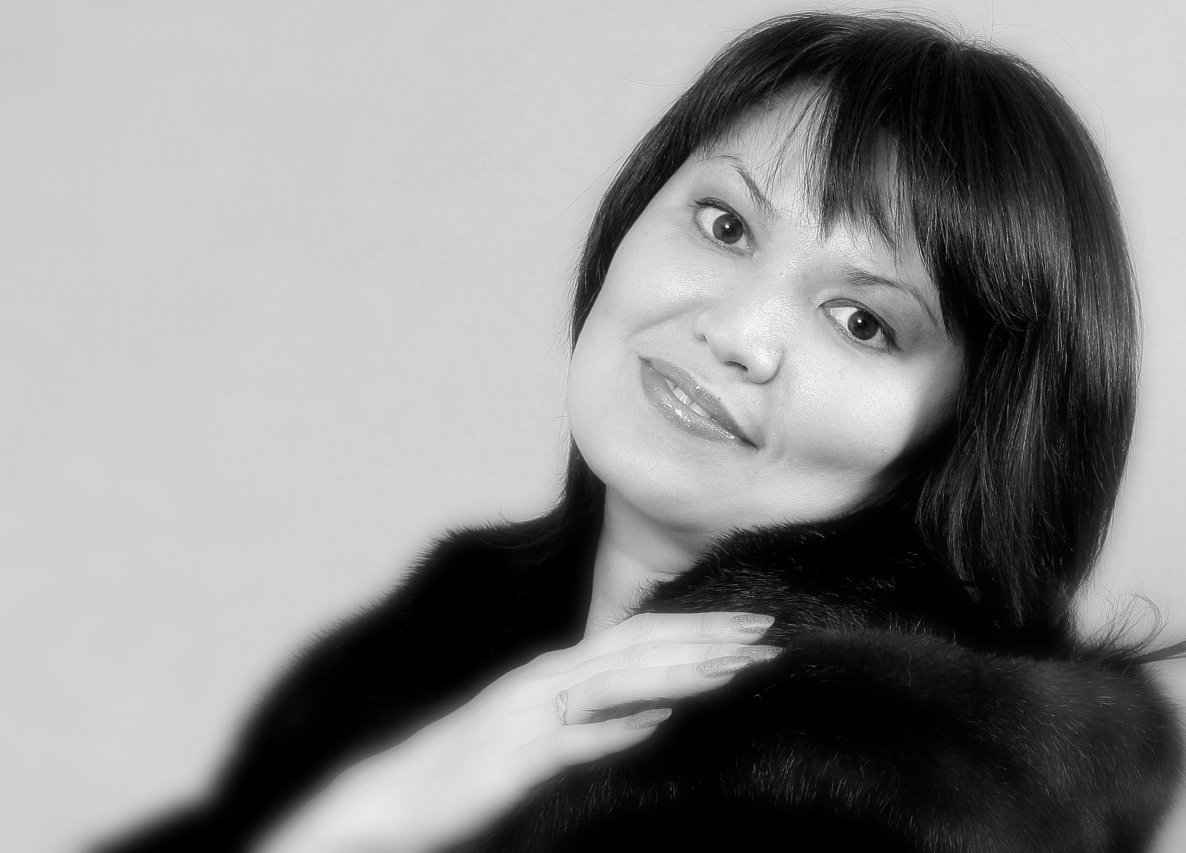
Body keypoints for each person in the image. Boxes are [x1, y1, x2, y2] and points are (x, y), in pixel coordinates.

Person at [98, 12, 1184, 852]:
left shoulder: (873, 796)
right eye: (724, 224)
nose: (739, 333)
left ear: (967, 428)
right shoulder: (434, 652)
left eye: (862, 321)